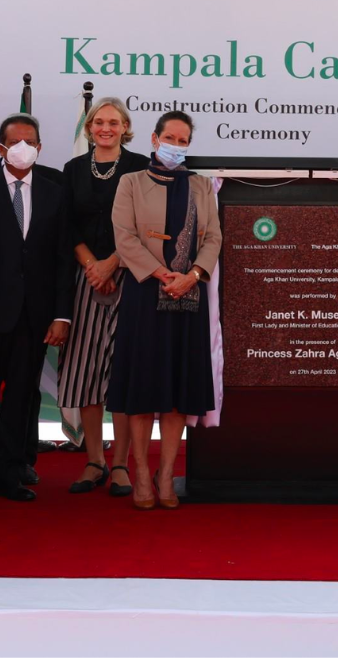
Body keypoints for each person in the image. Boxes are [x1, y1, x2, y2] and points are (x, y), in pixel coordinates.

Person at [0, 114, 72, 504]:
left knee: (22, 398)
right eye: (15, 141)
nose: (24, 147)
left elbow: (61, 260)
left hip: (35, 317)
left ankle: (9, 475)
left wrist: (61, 314)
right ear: (1, 148)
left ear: (39, 147)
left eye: (31, 141)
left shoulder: (55, 191)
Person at [109, 111, 220, 510]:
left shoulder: (203, 186)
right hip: (145, 295)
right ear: (154, 140)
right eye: (169, 137)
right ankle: (140, 473)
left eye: (183, 140)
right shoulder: (130, 182)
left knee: (178, 394)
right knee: (143, 392)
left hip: (188, 297)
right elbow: (124, 237)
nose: (175, 145)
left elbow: (214, 239)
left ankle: (166, 473)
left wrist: (191, 275)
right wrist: (161, 273)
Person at [58, 97, 149, 497]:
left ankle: (120, 465)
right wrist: (93, 267)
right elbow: (65, 226)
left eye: (114, 122)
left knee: (124, 372)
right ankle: (94, 460)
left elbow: (146, 225)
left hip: (130, 278)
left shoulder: (141, 167)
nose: (106, 127)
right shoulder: (73, 170)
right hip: (85, 278)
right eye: (99, 121)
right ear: (89, 127)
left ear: (125, 127)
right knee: (85, 371)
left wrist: (112, 264)